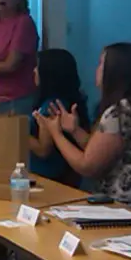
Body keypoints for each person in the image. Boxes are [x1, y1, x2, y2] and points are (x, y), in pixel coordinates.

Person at [34, 42, 131, 217]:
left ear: (114, 72)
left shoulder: (120, 112)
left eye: (100, 64)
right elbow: (101, 149)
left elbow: (87, 166)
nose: (96, 69)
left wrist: (56, 134)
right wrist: (74, 130)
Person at [29, 49, 89, 184]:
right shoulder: (59, 100)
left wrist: (16, 129)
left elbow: (43, 149)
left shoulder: (53, 105)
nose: (34, 71)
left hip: (48, 176)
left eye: (38, 67)